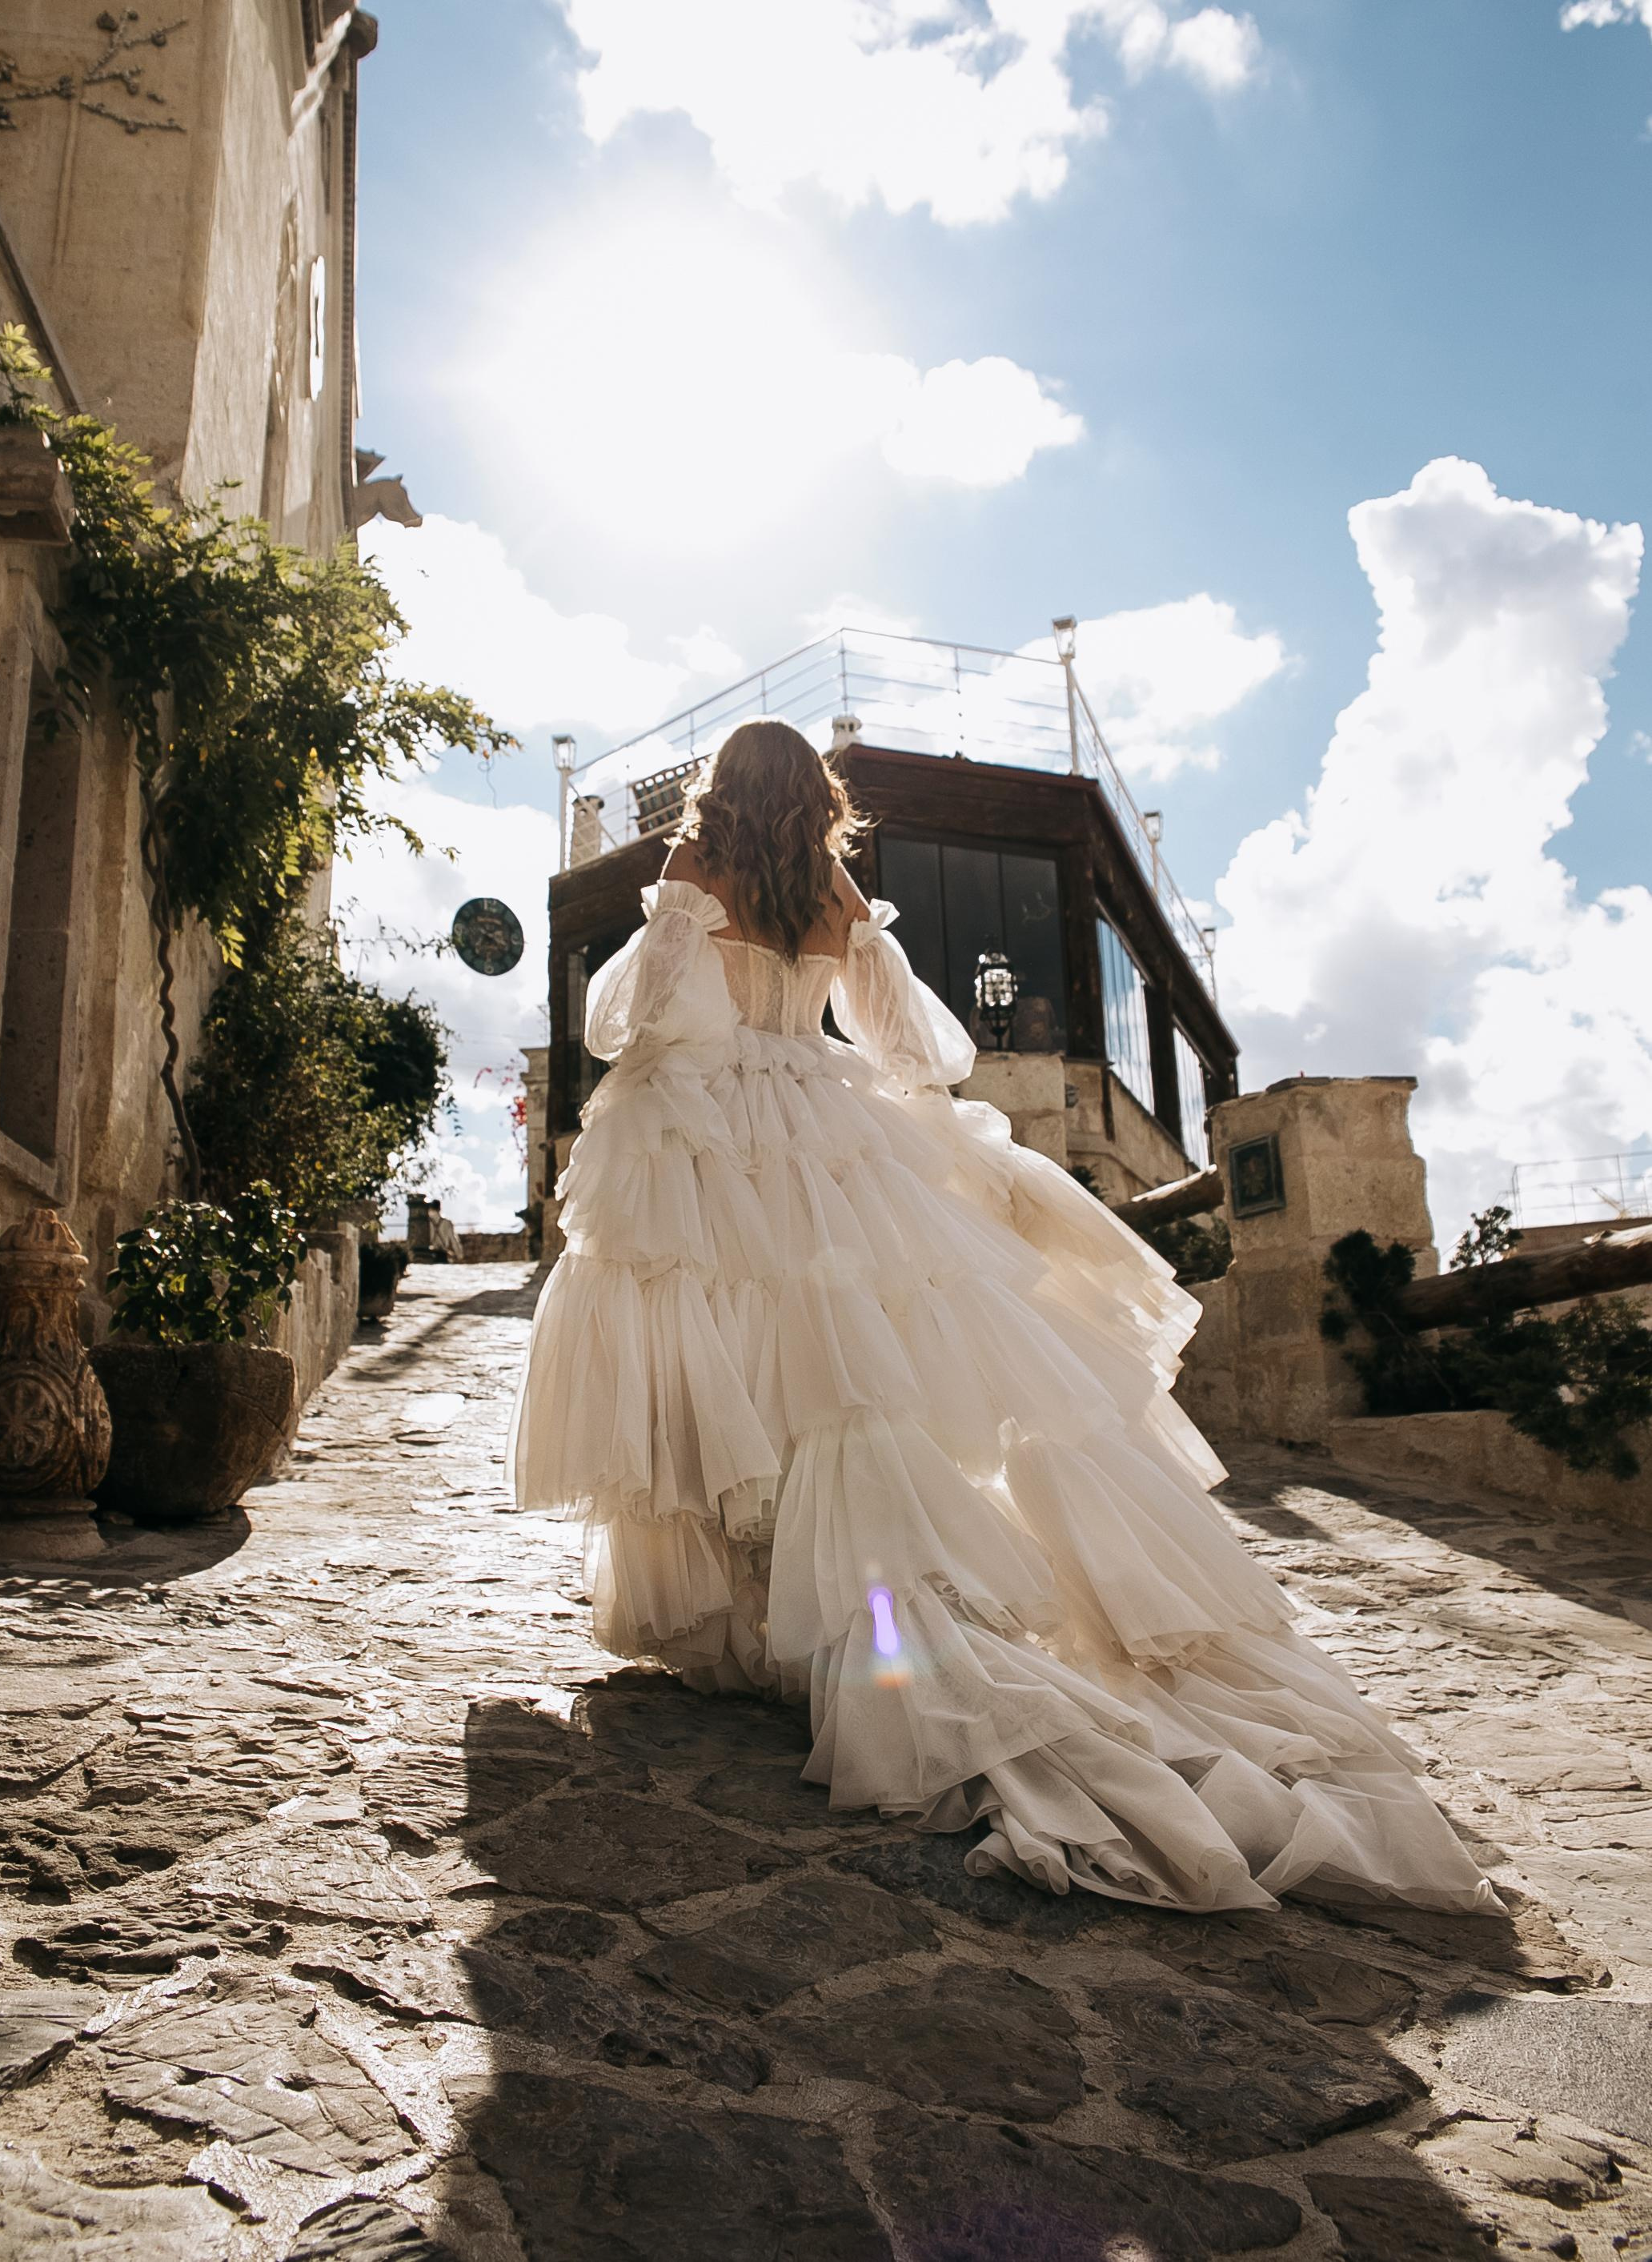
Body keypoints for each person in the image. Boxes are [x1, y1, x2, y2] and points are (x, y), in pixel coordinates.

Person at [510, 720, 1498, 1915]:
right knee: (840, 1388)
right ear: (807, 801)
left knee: (740, 1372)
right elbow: (914, 1048)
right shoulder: (829, 890)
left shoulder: (694, 873)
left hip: (715, 1142)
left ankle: (808, 1624)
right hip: (826, 1140)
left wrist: (677, 913)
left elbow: (632, 1023)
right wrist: (837, 960)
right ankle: (839, 1613)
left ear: (719, 793)